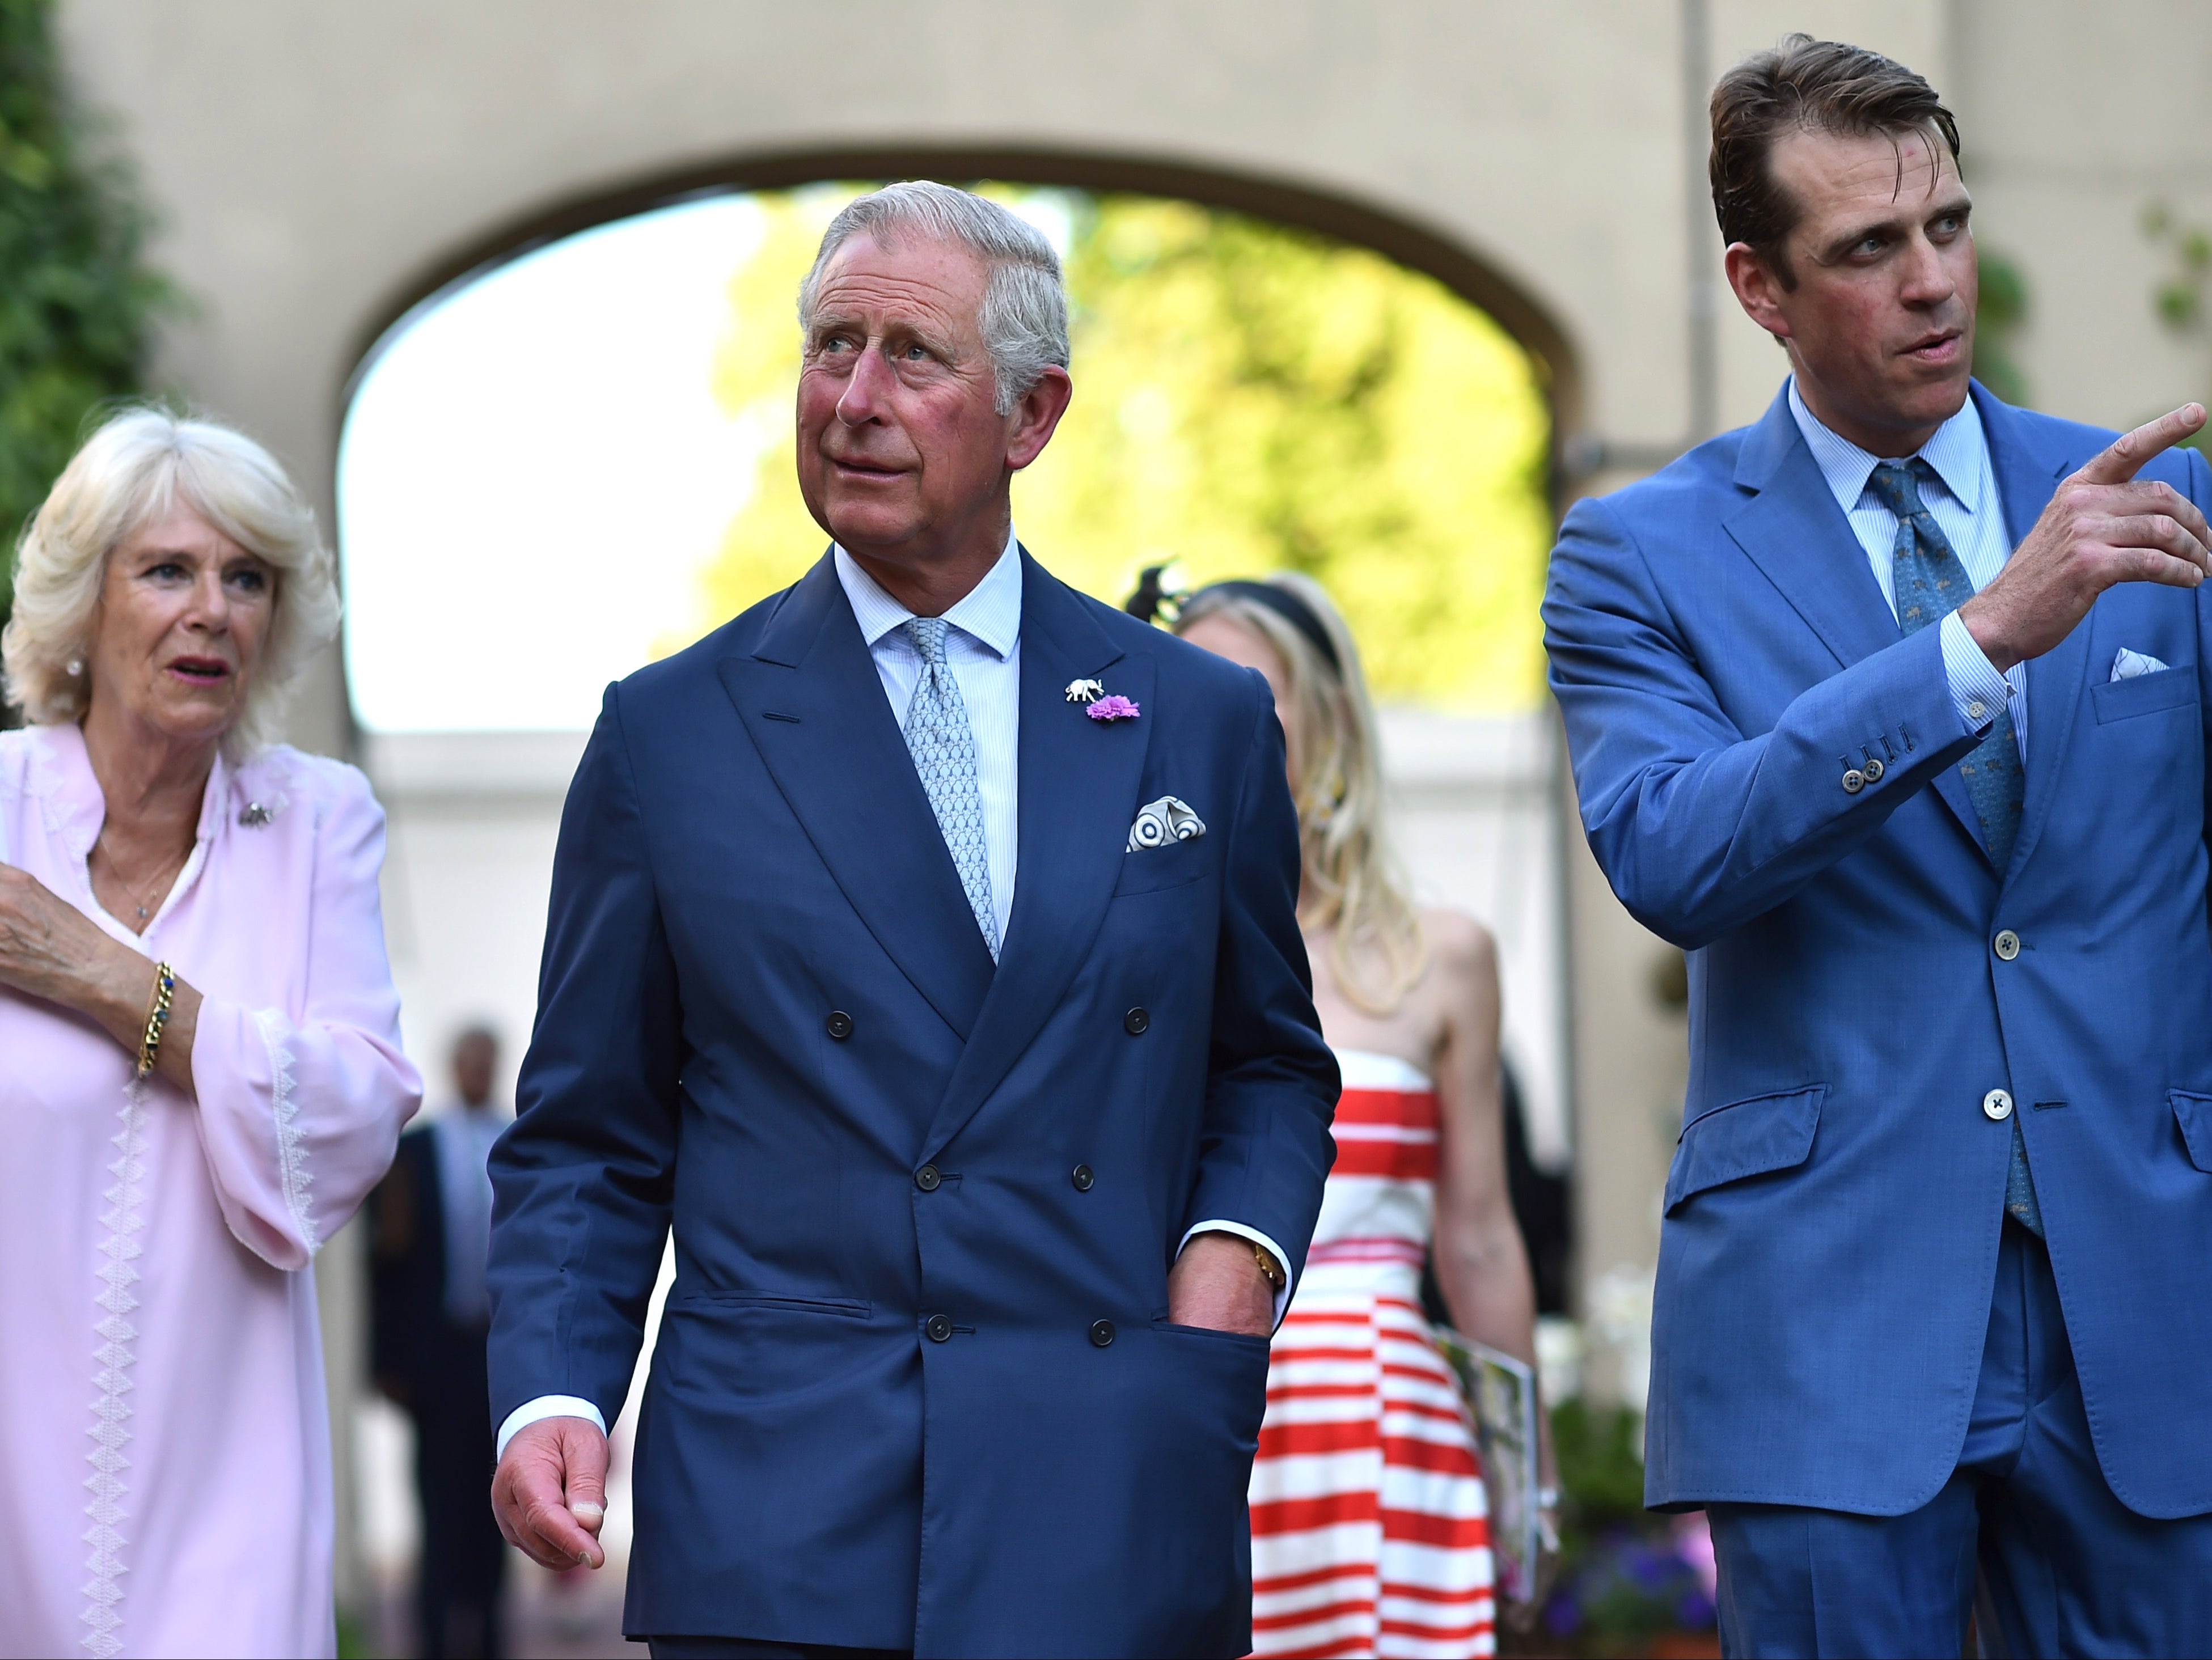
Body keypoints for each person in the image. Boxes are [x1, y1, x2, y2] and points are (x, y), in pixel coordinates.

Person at [484, 181, 1339, 1658]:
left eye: (911, 357)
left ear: (1032, 413)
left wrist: (1225, 1280)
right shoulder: (666, 735)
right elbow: (588, 1135)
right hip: (783, 1515)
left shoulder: (1196, 720)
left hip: (1103, 1480)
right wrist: (555, 1392)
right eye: (831, 346)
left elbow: (1264, 1062)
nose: (854, 398)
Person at [1543, 35, 2212, 1657]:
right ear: (1757, 286)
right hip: (1826, 1311)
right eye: (1864, 250)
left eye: (1945, 227)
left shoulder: (2142, 499)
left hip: (2146, 1284)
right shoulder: (1637, 552)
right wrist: (1972, 645)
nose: (1930, 282)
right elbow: (1670, 853)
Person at [0, 407, 422, 1657]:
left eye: (248, 579)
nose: (215, 611)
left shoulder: (316, 824)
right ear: (87, 603)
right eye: (169, 571)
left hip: (230, 1470)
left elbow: (356, 1109)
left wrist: (112, 984)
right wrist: (225, 1048)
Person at [1174, 573, 1545, 1659]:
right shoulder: (1137, 963)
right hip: (1195, 1415)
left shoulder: (1443, 959)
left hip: (1383, 1421)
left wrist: (1526, 1483)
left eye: (1243, 689)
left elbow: (1478, 1234)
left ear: (1323, 723)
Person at [370, 1024, 513, 1658]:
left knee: (501, 1505)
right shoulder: (417, 1151)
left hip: (500, 1358)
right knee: (438, 1503)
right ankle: (431, 1639)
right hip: (438, 1355)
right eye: (469, 1059)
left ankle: (490, 1639)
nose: (478, 1070)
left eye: (487, 1060)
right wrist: (388, 1362)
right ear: (455, 1067)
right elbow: (387, 1264)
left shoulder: (520, 1144)